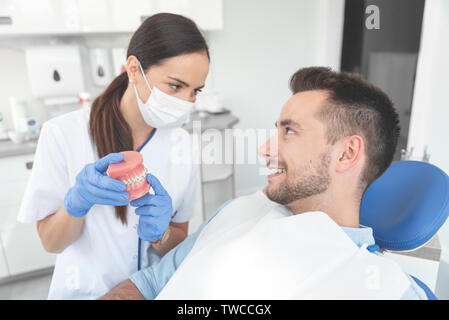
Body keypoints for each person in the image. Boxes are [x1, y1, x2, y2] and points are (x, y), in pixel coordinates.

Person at [101, 67, 428, 300]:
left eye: (289, 131)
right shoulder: (243, 208)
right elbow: (150, 284)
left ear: (347, 153)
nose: (264, 149)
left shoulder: (379, 287)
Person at [17, 13, 210, 299]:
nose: (186, 102)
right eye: (175, 86)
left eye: (195, 91)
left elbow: (178, 240)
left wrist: (161, 235)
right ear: (133, 69)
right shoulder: (63, 134)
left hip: (147, 292)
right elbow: (51, 242)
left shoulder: (183, 144)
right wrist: (76, 204)